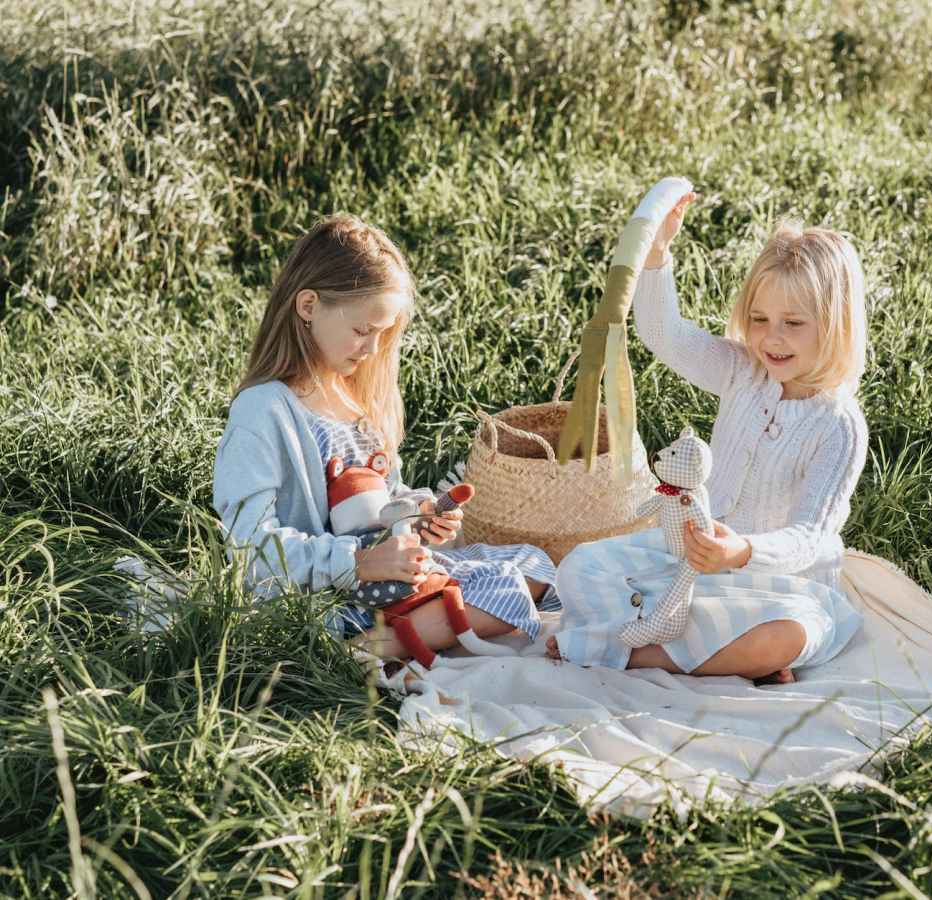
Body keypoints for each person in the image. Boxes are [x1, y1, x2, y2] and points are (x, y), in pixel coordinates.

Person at [549, 194, 867, 683]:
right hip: (692, 559)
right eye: (759, 320)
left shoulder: (837, 425)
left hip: (779, 585)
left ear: (836, 325)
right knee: (581, 565)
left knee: (786, 637)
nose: (771, 339)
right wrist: (657, 255)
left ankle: (637, 655)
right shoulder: (743, 371)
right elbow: (664, 334)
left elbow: (811, 536)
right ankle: (709, 651)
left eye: (794, 324)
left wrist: (743, 551)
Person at [212, 214, 554, 665]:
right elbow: (249, 548)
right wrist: (358, 563)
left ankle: (414, 625)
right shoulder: (265, 409)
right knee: (506, 588)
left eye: (383, 334)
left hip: (384, 579)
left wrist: (419, 515)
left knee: (536, 563)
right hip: (327, 595)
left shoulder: (353, 399)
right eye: (361, 331)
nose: (372, 349)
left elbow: (384, 501)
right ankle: (361, 652)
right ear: (308, 305)